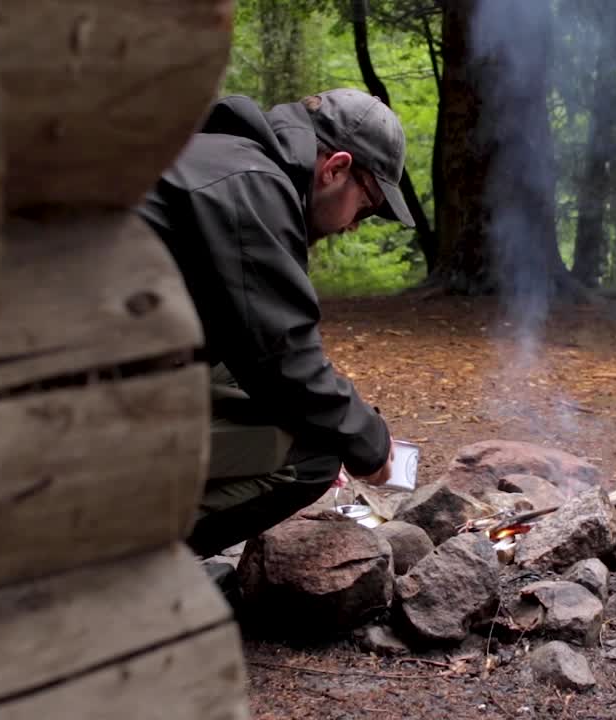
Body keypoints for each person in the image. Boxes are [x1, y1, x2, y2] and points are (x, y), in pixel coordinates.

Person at [136, 89, 416, 557]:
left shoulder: (211, 158)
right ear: (336, 168)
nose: (354, 225)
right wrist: (366, 440)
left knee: (257, 391)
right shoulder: (252, 186)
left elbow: (256, 349)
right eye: (365, 206)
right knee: (311, 455)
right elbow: (286, 360)